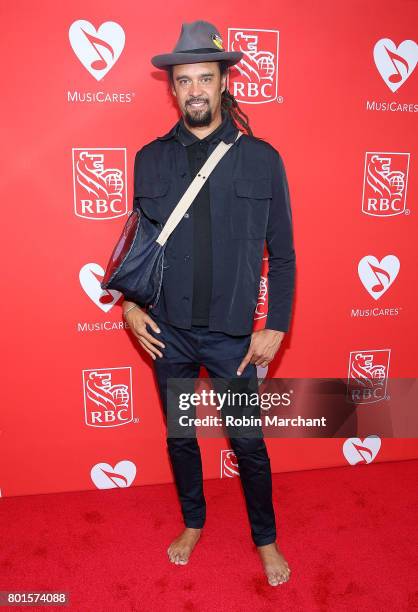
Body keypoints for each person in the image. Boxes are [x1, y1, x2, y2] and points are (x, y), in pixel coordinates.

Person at [122, 20, 296, 587]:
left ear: (223, 83)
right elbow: (139, 247)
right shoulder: (148, 160)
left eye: (205, 77)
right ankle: (193, 522)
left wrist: (277, 326)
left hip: (231, 339)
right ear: (171, 89)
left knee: (248, 443)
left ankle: (265, 539)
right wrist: (128, 306)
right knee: (180, 434)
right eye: (183, 80)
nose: (194, 89)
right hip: (167, 334)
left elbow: (285, 255)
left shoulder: (263, 159)